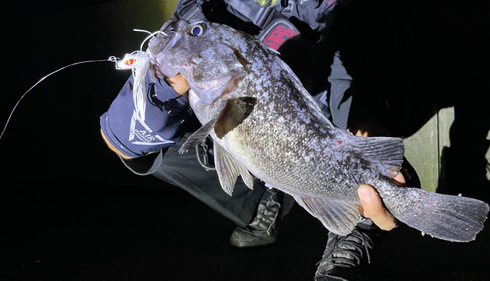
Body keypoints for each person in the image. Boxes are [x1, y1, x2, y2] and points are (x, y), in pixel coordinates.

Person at [100, 0, 413, 280]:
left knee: (364, 168)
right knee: (164, 147)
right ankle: (264, 202)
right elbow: (118, 139)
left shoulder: (331, 9)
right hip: (239, 129)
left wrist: (365, 125)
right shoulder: (202, 15)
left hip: (313, 124)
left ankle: (352, 231)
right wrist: (164, 89)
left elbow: (351, 62)